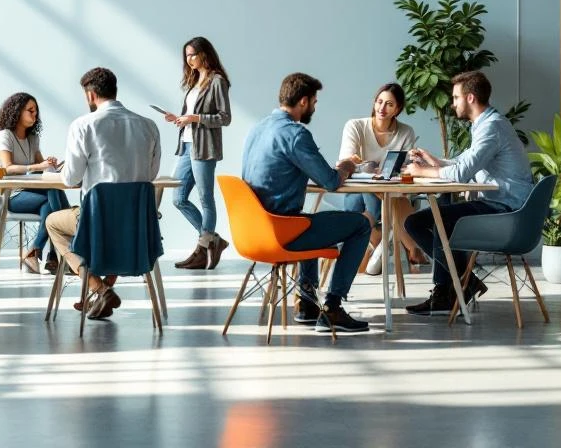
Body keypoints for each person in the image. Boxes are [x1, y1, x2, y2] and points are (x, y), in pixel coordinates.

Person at [241, 73, 371, 334]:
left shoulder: (258, 128)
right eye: (314, 101)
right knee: (360, 224)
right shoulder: (295, 134)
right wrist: (347, 165)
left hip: (252, 230)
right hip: (282, 232)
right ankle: (332, 307)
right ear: (303, 101)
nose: (314, 106)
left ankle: (308, 305)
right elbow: (331, 181)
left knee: (310, 219)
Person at [402, 71, 534, 316]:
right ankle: (459, 284)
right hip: (501, 205)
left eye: (455, 98)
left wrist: (422, 170)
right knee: (430, 222)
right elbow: (463, 163)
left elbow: (462, 173)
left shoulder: (491, 128)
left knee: (422, 222)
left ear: (470, 98)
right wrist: (434, 162)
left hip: (505, 210)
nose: (452, 104)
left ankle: (453, 287)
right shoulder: (487, 124)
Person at [45, 68, 161, 320]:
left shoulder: (83, 125)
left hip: (96, 221)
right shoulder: (148, 125)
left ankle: (98, 287)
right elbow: (150, 175)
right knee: (112, 226)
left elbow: (71, 178)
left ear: (90, 94)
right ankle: (100, 292)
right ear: (114, 90)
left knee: (52, 223)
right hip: (138, 224)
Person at [338, 82, 424, 274]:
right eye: (379, 102)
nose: (382, 108)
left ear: (398, 109)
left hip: (389, 191)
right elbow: (346, 161)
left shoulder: (406, 131)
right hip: (357, 190)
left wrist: (412, 162)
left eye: (389, 104)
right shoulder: (355, 126)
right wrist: (373, 170)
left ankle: (365, 240)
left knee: (380, 197)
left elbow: (405, 168)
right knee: (373, 194)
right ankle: (410, 247)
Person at [161, 36, 232, 271]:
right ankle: (212, 240)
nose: (189, 59)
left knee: (205, 198)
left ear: (204, 54)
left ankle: (203, 249)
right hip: (187, 144)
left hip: (204, 148)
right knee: (177, 198)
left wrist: (195, 118)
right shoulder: (194, 81)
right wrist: (180, 119)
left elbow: (225, 117)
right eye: (186, 55)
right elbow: (191, 114)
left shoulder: (217, 81)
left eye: (193, 54)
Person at [0, 92, 68, 274]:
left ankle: (36, 253)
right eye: (30, 111)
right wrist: (37, 166)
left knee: (50, 203)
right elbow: (7, 168)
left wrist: (52, 166)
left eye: (36, 112)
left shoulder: (33, 138)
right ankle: (59, 254)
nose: (35, 115)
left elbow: (42, 169)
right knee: (53, 194)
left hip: (34, 193)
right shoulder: (4, 136)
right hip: (11, 195)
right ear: (17, 112)